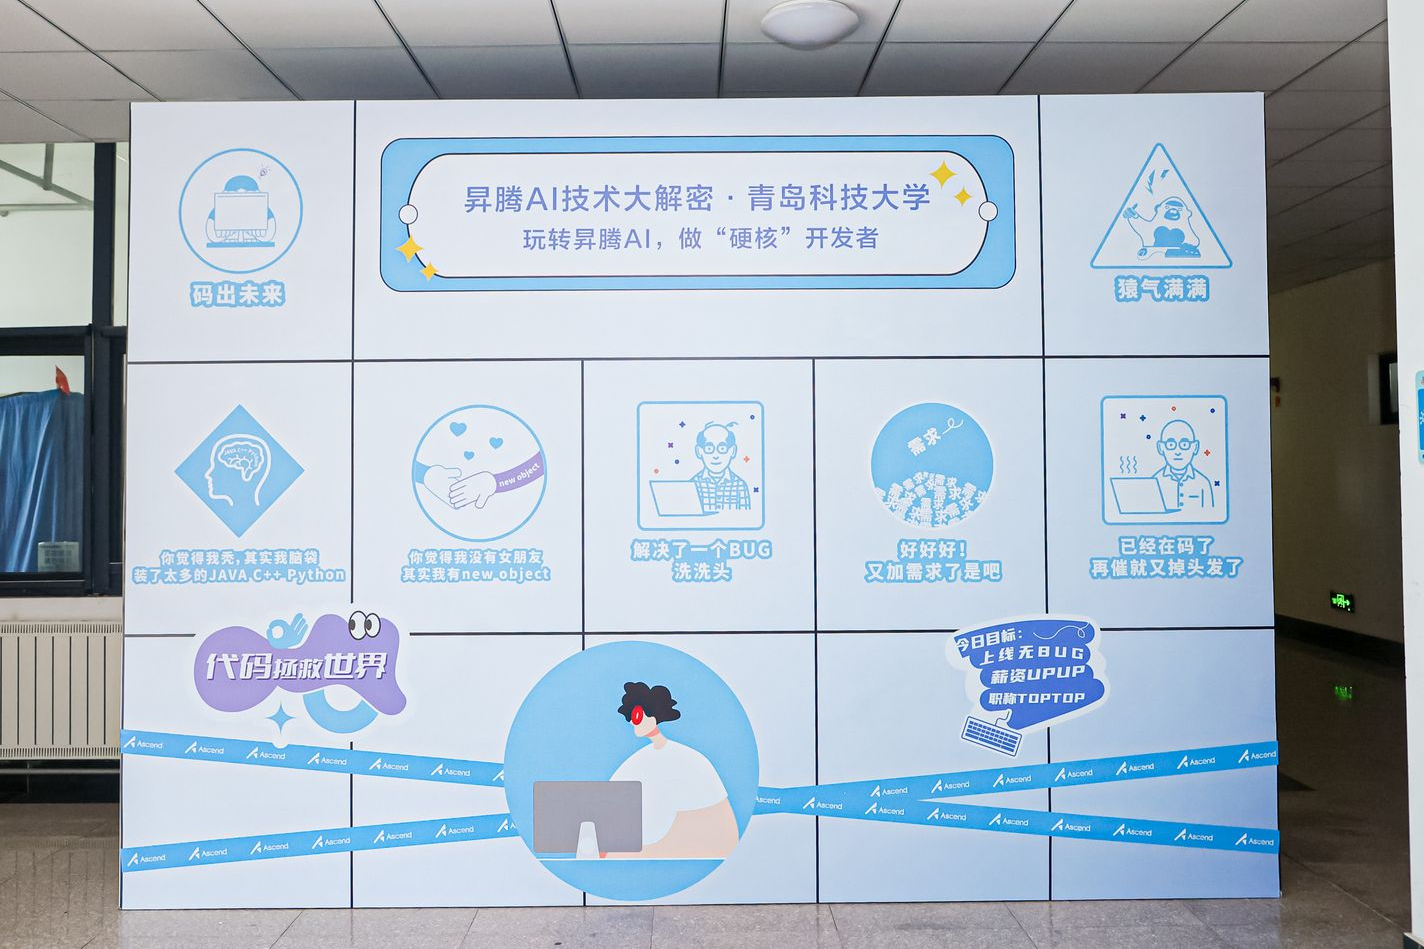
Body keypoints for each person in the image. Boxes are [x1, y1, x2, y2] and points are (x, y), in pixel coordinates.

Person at [603, 681, 738, 859]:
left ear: (653, 716)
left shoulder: (689, 760)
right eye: (632, 718)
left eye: (637, 716)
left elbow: (723, 836)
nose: (633, 723)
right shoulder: (636, 763)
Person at [1152, 419, 1215, 512]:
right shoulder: (1155, 481)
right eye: (1171, 445)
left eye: (1184, 445)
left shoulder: (1203, 483)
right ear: (1161, 447)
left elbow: (1211, 513)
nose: (1177, 451)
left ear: (1195, 447)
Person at [689, 422, 751, 513]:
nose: (715, 455)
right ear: (699, 451)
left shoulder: (740, 486)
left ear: (733, 451)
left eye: (722, 448)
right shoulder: (692, 485)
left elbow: (747, 517)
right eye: (709, 448)